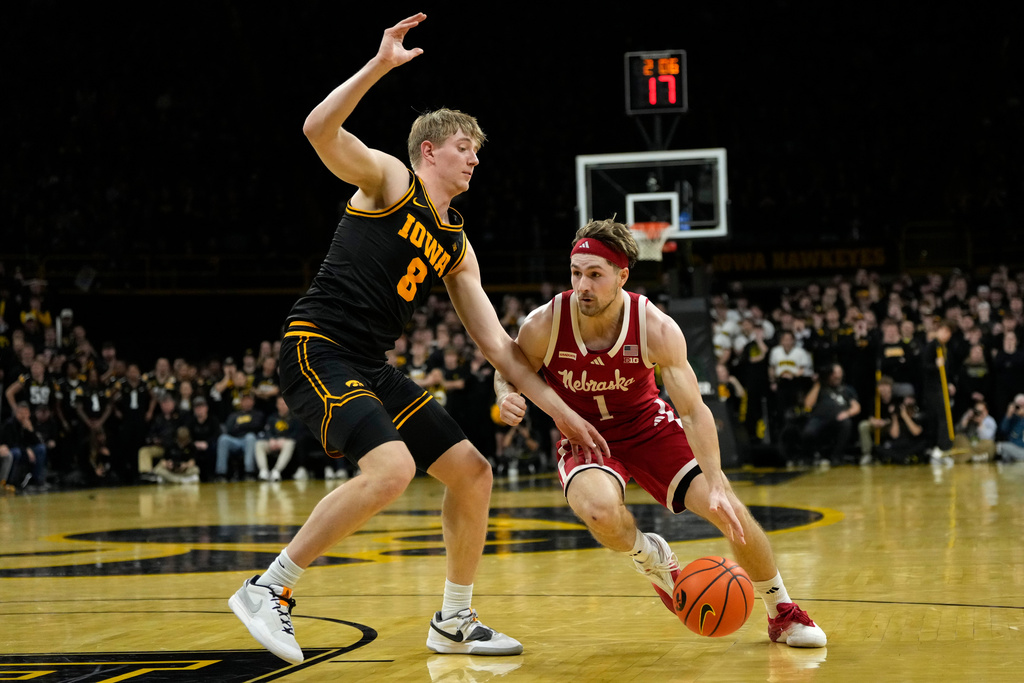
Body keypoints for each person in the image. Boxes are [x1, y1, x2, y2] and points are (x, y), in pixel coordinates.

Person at [227, 14, 608, 665]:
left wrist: (563, 409)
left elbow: (498, 346)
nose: (475, 158)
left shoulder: (458, 247)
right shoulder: (389, 182)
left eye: (478, 150)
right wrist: (379, 65)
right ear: (429, 150)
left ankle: (454, 620)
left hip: (369, 364)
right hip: (318, 346)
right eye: (466, 146)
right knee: (394, 467)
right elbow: (318, 130)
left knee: (473, 472)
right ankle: (270, 587)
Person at [495, 219, 826, 649]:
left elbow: (692, 409)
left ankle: (781, 611)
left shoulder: (655, 326)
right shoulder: (545, 324)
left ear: (622, 276)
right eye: (576, 273)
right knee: (598, 512)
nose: (583, 285)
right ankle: (651, 557)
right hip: (584, 436)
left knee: (727, 509)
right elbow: (508, 371)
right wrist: (506, 396)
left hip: (648, 427)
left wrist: (716, 479)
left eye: (595, 274)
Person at [800, 364, 862, 466]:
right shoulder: (820, 388)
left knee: (846, 423)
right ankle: (809, 457)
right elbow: (808, 404)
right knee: (808, 432)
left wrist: (847, 413)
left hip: (837, 419)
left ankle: (836, 457)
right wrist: (818, 383)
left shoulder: (847, 389)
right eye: (833, 373)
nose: (836, 376)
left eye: (838, 373)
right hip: (819, 418)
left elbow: (857, 407)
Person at [214, 390, 265, 481]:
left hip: (248, 440)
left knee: (250, 437)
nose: (246, 402)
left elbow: (257, 426)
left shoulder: (257, 414)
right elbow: (229, 428)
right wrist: (245, 426)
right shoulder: (234, 415)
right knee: (223, 439)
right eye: (244, 400)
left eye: (248, 400)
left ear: (253, 402)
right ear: (240, 402)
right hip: (235, 440)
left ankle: (249, 472)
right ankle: (221, 474)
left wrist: (239, 426)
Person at [254, 395, 300, 481]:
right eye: (280, 404)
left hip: (285, 442)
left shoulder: (294, 418)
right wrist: (271, 439)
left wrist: (285, 439)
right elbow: (267, 431)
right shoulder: (272, 417)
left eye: (284, 404)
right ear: (277, 405)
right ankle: (263, 471)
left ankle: (276, 471)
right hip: (273, 442)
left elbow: (297, 433)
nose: (282, 406)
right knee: (259, 444)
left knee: (289, 443)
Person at [996, 394, 1024, 462]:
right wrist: (1008, 416)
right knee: (1004, 450)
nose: (1019, 408)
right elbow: (1003, 430)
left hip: (1021, 449)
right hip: (1013, 449)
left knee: (1002, 446)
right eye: (1017, 406)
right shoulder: (1013, 419)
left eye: (1022, 406)